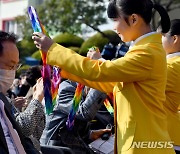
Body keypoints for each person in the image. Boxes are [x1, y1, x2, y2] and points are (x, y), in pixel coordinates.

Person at [32, 0, 175, 153]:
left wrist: (54, 50)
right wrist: (62, 68)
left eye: (115, 20)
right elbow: (107, 81)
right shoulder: (144, 50)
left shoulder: (147, 53)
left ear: (133, 19)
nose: (113, 27)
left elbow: (102, 71)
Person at [40, 49, 113, 154]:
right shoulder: (65, 88)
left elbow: (70, 126)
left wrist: (91, 134)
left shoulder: (80, 87)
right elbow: (84, 113)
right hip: (57, 149)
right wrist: (101, 78)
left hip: (71, 144)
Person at [0, 30, 44, 154]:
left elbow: (25, 138)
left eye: (16, 67)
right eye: (10, 66)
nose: (13, 72)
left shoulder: (4, 100)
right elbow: (24, 128)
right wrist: (37, 99)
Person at [162, 19, 180, 154]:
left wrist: (99, 62)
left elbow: (142, 78)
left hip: (171, 137)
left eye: (161, 37)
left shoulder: (174, 65)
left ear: (174, 39)